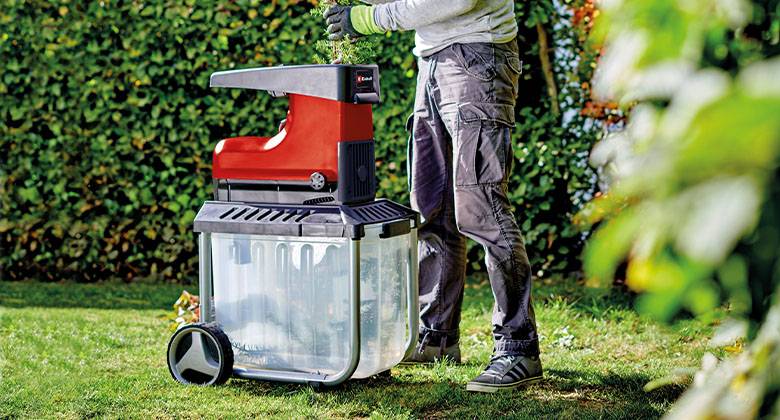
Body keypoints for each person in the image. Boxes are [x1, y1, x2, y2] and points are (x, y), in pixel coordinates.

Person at [324, 0, 541, 393]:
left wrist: (365, 19)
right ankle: (437, 338)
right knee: (431, 209)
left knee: (482, 209)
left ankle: (517, 347)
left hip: (478, 57)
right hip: (433, 62)